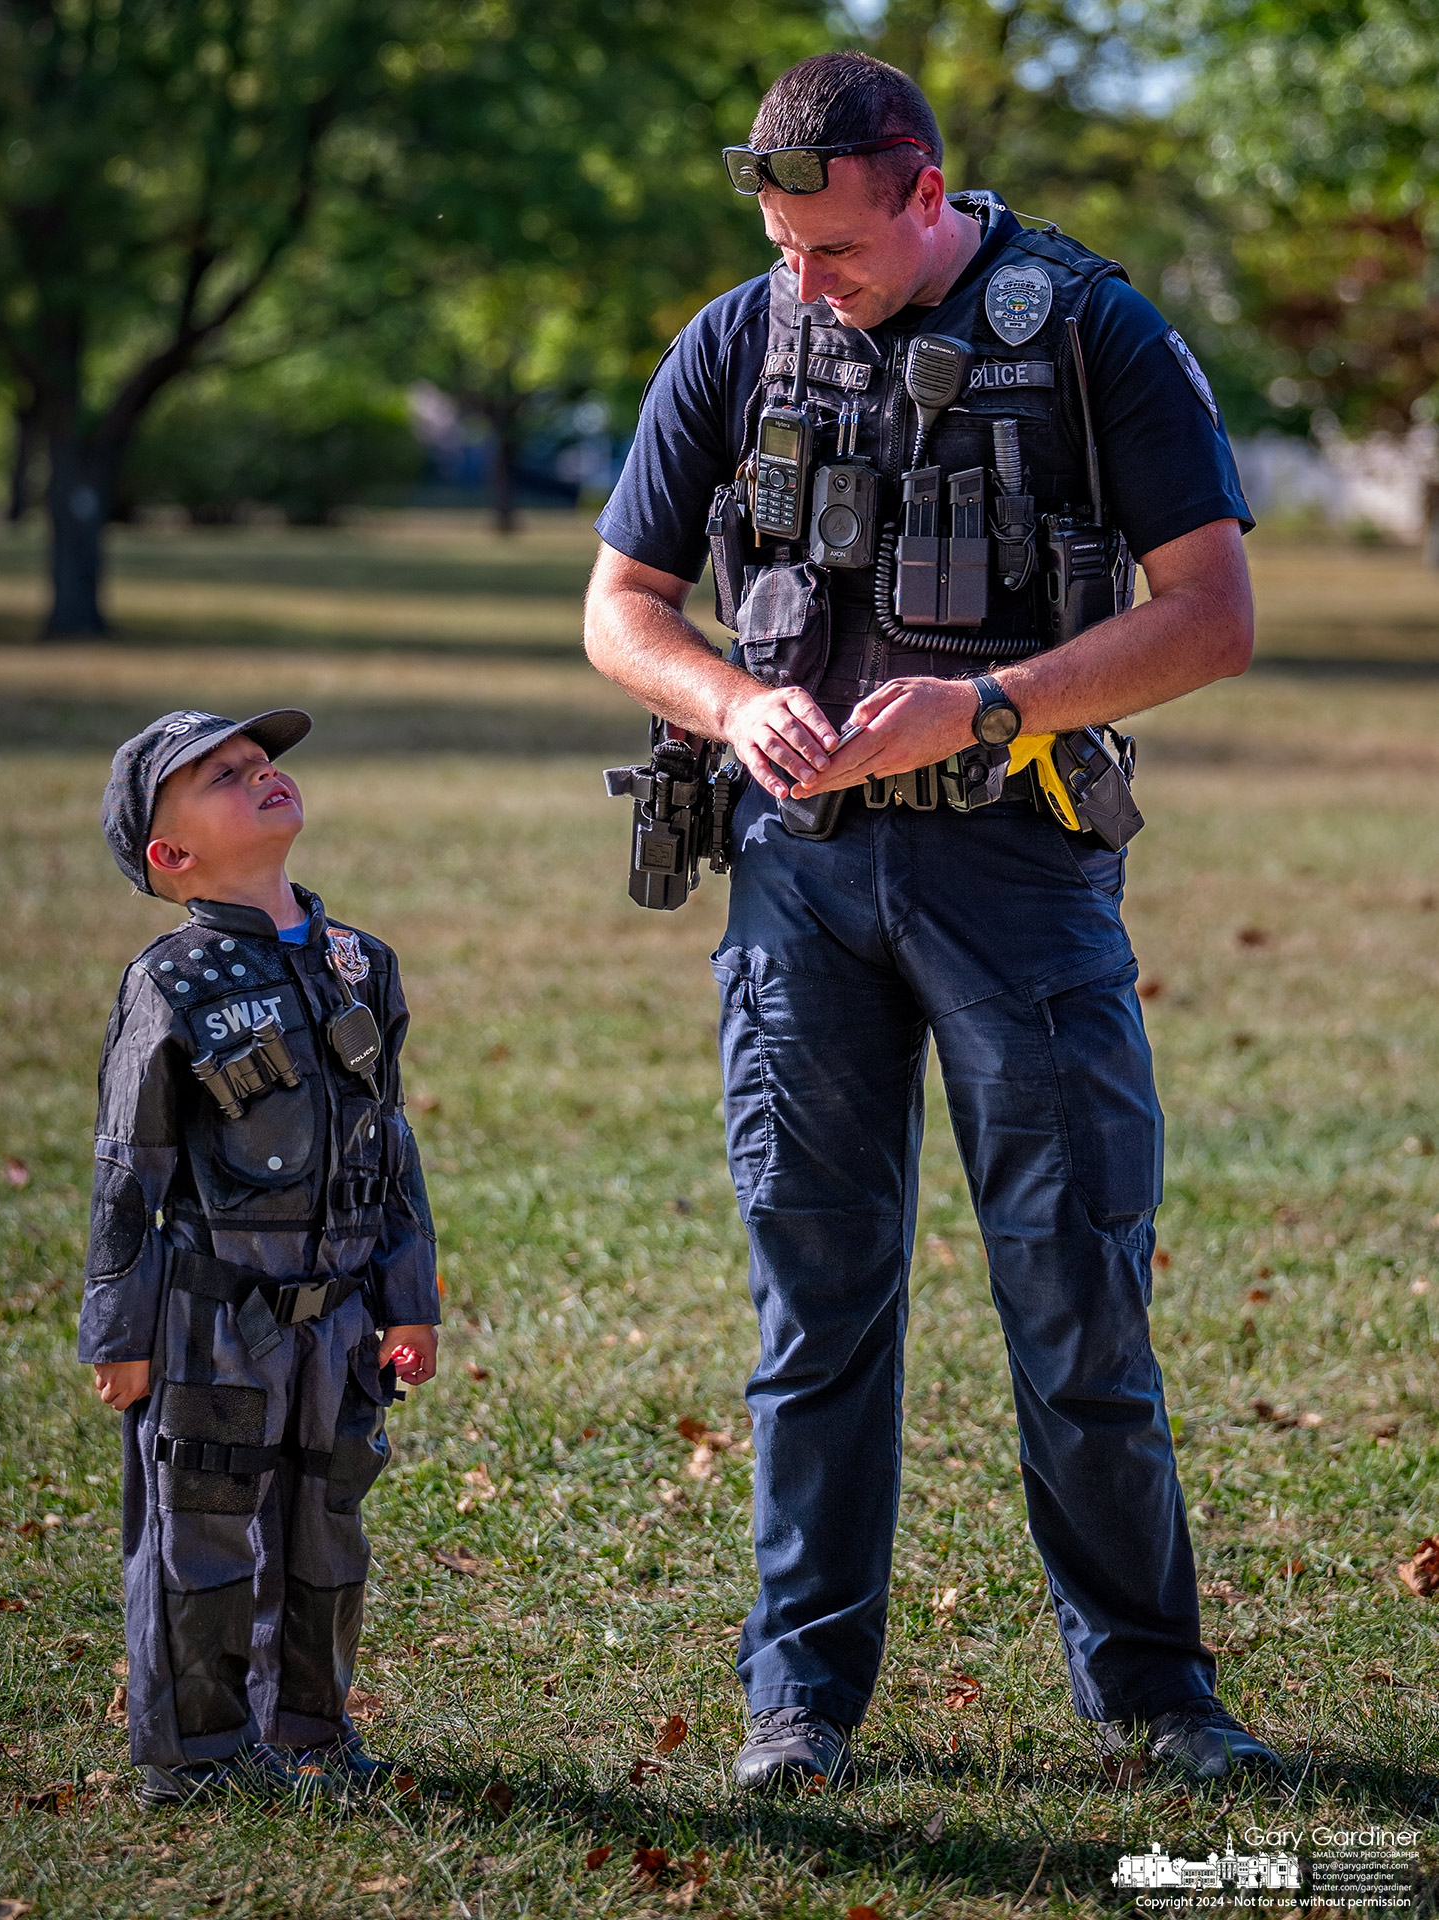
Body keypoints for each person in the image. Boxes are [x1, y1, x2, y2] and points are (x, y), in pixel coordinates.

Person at [585, 50, 1281, 1790]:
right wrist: (724, 707)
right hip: (796, 884)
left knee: (1074, 1294)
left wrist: (990, 705)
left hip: (1012, 868)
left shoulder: (1089, 328)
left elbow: (1209, 614)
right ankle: (798, 1705)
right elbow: (619, 608)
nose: (803, 277)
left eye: (835, 248)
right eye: (778, 241)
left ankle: (1150, 1696)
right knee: (813, 1304)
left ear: (923, 188)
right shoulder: (734, 336)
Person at [80, 707, 441, 1808]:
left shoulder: (358, 964)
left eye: (261, 762)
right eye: (223, 776)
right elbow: (126, 1170)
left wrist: (408, 1299)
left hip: (337, 1323)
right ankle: (197, 1754)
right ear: (171, 854)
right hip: (211, 1322)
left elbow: (390, 1138)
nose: (262, 776)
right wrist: (118, 1330)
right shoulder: (171, 986)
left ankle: (315, 1731)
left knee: (327, 1527)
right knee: (201, 1537)